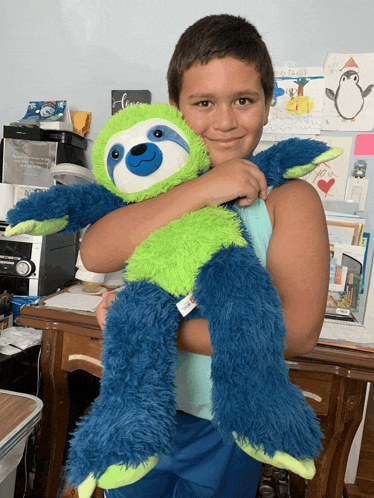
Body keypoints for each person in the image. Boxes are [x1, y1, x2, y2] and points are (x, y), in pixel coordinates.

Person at [82, 13, 330, 498]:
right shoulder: (152, 189)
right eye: (203, 103)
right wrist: (205, 187)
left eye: (243, 100)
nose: (224, 121)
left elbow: (297, 332)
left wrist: (144, 325)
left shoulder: (289, 199)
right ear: (175, 107)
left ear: (268, 101)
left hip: (225, 422)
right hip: (140, 406)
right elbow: (95, 252)